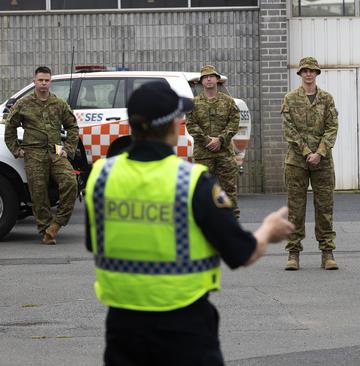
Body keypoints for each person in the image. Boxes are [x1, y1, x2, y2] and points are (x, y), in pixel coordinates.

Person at [85, 81, 293, 365]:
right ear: (173, 125)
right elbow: (243, 252)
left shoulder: (101, 176)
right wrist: (269, 229)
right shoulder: (192, 182)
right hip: (184, 327)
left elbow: (94, 241)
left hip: (123, 327)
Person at [4, 66, 79, 245]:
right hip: (33, 152)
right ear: (34, 81)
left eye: (46, 80)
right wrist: (16, 150)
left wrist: (67, 149)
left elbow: (73, 127)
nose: (43, 83)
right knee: (38, 192)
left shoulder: (59, 103)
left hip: (55, 151)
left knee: (70, 182)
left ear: (50, 82)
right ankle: (46, 230)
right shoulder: (24, 104)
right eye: (40, 80)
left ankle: (57, 223)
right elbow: (10, 128)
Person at [282, 56, 339, 271]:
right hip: (297, 161)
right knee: (296, 208)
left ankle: (327, 252)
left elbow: (332, 127)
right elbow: (289, 130)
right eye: (305, 70)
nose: (308, 74)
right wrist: (307, 152)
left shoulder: (326, 99)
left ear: (316, 74)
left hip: (322, 162)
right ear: (300, 74)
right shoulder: (290, 99)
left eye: (312, 71)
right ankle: (293, 253)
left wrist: (320, 153)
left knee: (325, 207)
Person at [186, 65, 241, 218]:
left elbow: (234, 122)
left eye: (211, 76)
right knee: (203, 190)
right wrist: (207, 140)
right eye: (205, 77)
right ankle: (204, 223)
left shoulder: (228, 102)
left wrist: (221, 139)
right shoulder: (194, 103)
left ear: (217, 79)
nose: (209, 79)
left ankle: (232, 223)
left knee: (229, 189)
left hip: (224, 153)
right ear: (201, 81)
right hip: (203, 153)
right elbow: (190, 124)